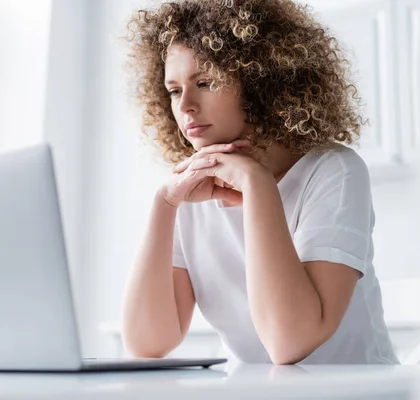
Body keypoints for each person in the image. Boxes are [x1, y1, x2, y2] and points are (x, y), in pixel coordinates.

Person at [121, 0, 398, 365]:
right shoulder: (190, 191)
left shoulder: (334, 171)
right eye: (174, 90)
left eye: (204, 82)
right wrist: (164, 204)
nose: (185, 105)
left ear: (258, 82)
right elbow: (147, 344)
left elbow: (289, 343)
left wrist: (257, 184)